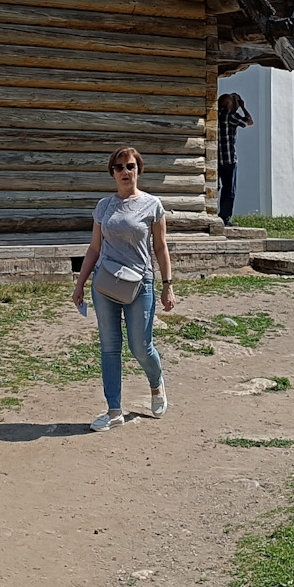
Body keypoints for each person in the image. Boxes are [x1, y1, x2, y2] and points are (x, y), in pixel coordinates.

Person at [71, 146, 175, 431]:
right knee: (109, 348)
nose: (125, 172)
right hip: (105, 284)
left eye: (130, 166)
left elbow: (160, 247)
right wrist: (80, 283)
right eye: (119, 168)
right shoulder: (104, 206)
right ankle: (114, 410)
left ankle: (156, 384)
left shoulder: (152, 205)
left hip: (140, 284)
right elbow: (94, 248)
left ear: (139, 169)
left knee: (141, 347)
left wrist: (167, 285)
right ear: (112, 173)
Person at [216, 92, 254, 225]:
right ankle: (224, 218)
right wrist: (243, 107)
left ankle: (210, 213)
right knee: (228, 190)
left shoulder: (214, 114)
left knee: (215, 187)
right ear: (229, 104)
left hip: (214, 159)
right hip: (229, 159)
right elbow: (249, 121)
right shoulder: (230, 115)